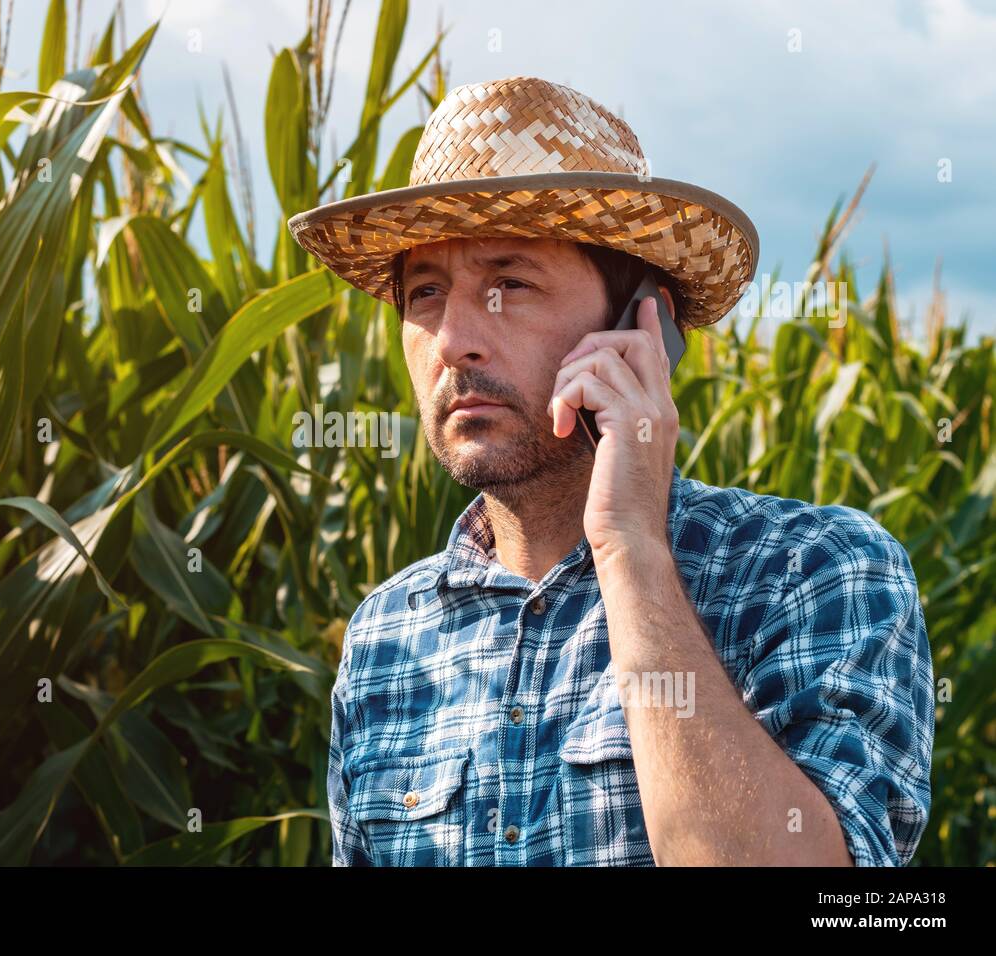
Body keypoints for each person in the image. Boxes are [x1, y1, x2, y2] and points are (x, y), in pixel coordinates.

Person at [287, 76, 933, 866]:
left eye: (509, 285)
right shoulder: (386, 638)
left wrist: (628, 545)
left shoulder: (811, 573)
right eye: (425, 293)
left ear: (644, 327)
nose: (454, 339)